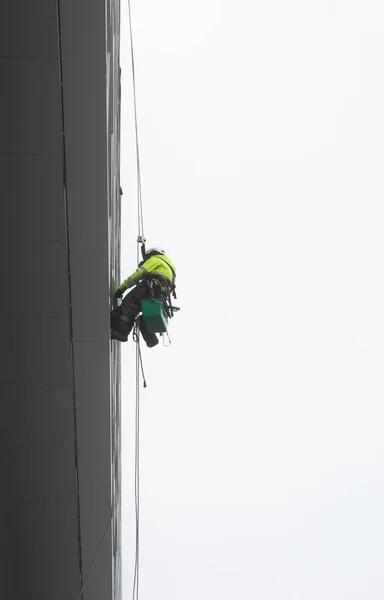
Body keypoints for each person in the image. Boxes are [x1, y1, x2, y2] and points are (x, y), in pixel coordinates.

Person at [111, 247, 176, 347]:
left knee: (130, 302)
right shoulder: (170, 269)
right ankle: (151, 339)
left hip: (151, 285)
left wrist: (122, 289)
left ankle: (122, 331)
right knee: (143, 315)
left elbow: (139, 273)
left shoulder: (156, 259)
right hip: (159, 294)